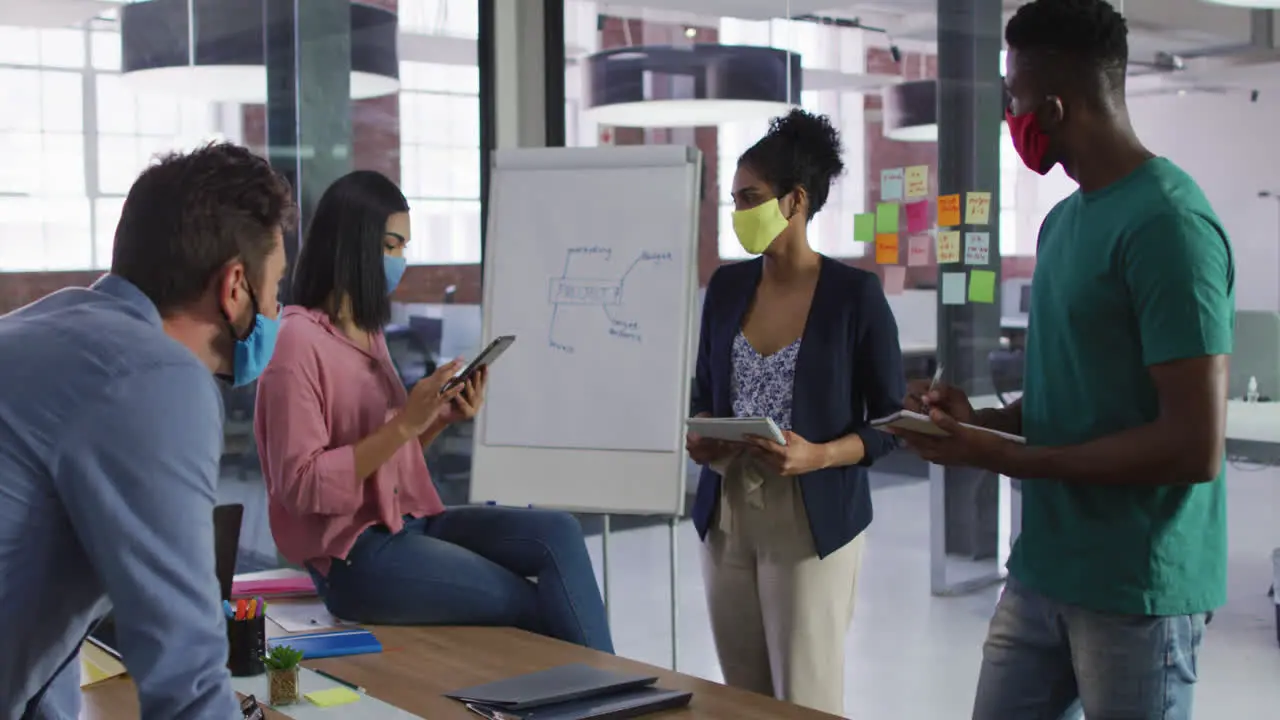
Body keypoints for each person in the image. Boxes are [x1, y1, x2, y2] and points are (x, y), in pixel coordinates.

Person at [896, 2, 1234, 719]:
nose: (1009, 114)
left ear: (1053, 105)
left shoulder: (1169, 226)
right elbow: (1073, 399)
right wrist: (983, 421)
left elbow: (1193, 444)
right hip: (1044, 572)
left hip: (1136, 591)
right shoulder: (1063, 223)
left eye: (1013, 98)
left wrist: (1004, 456)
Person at [253, 170, 614, 653]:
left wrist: (434, 419)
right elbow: (302, 486)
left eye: (403, 246)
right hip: (355, 557)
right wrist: (405, 420)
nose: (400, 260)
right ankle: (607, 699)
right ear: (352, 243)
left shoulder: (367, 331)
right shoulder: (295, 342)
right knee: (532, 604)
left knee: (559, 533)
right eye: (391, 245)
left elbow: (384, 464)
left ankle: (614, 692)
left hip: (408, 522)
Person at [0, 143, 294, 718]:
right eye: (276, 289)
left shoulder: (49, 325)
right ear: (235, 286)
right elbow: (184, 674)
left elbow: (38, 615)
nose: (278, 311)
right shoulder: (152, 376)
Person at [685, 109, 905, 714]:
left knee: (804, 697)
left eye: (750, 198)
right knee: (742, 697)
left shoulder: (852, 296)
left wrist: (821, 454)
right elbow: (703, 392)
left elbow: (892, 422)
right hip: (727, 510)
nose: (737, 213)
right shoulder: (727, 288)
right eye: (732, 199)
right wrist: (701, 436)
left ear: (795, 201)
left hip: (811, 517)